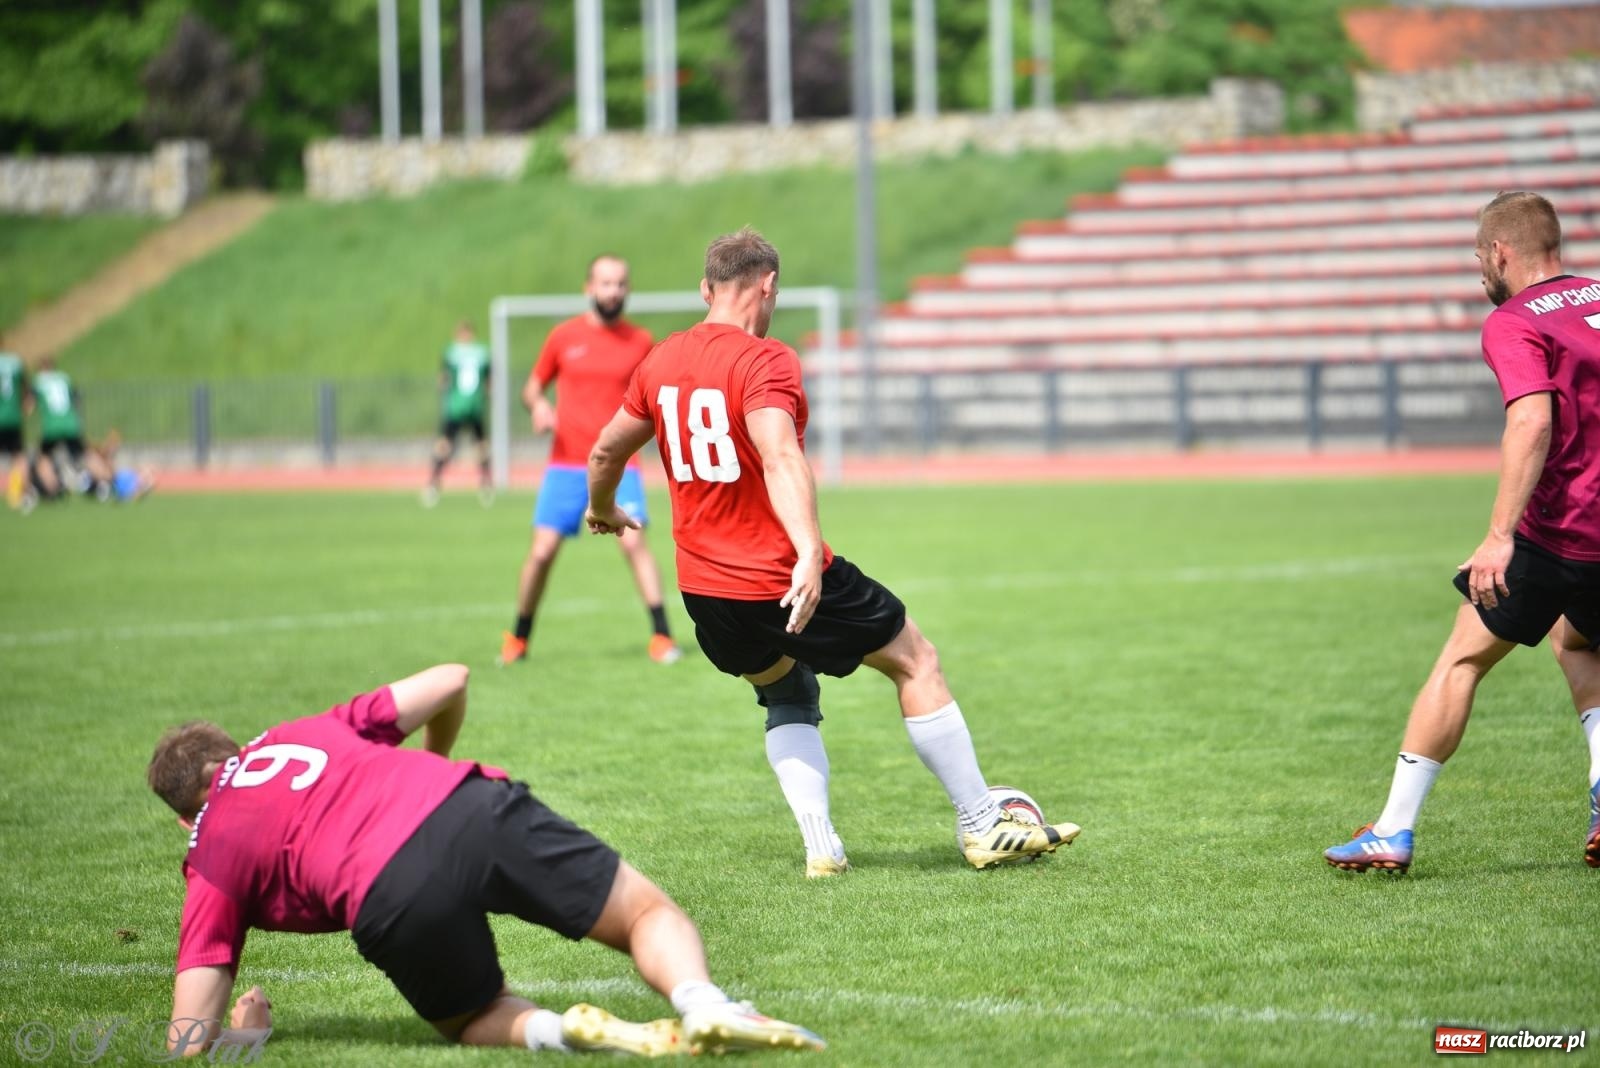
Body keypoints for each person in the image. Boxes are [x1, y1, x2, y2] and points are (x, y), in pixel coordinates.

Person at [584, 228, 1081, 877]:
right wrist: (807, 553)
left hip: (704, 592)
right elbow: (780, 453)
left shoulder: (659, 361)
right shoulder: (764, 360)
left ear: (706, 289)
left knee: (786, 689)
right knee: (916, 659)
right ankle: (984, 825)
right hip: (772, 574)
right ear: (767, 287)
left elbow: (604, 452)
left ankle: (823, 848)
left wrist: (602, 509)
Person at [146, 663, 824, 1057]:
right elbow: (451, 678)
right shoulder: (302, 732)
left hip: (388, 893)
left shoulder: (210, 853)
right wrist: (428, 768)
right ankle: (702, 1002)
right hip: (468, 807)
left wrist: (245, 1039)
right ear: (235, 752)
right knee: (645, 912)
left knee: (470, 1016)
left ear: (184, 816)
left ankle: (573, 1031)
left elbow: (186, 1037)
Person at [1325, 191, 1600, 874]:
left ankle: (1392, 828)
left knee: (1461, 658)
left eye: (1482, 256)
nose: (1481, 269)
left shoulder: (1512, 321)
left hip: (1560, 531)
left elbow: (1532, 421)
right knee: (1579, 641)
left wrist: (1500, 534)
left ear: (1501, 252)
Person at [499, 255, 681, 667]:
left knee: (634, 542)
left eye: (620, 283)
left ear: (627, 290)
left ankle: (662, 637)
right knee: (542, 552)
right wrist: (539, 407)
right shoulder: (563, 337)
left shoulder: (641, 342)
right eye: (605, 283)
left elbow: (654, 399)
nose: (613, 291)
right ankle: (519, 638)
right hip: (565, 463)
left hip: (621, 463)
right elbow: (531, 388)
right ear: (589, 288)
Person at [423, 321, 494, 508]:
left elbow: (442, 380)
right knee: (481, 445)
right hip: (475, 407)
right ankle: (486, 485)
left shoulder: (451, 353)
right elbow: (489, 384)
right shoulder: (482, 353)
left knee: (445, 445)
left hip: (455, 407)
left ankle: (433, 484)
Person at [28, 354, 102, 498]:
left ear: (41, 368)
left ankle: (53, 489)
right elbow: (76, 399)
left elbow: (29, 407)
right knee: (84, 454)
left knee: (44, 458)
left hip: (52, 426)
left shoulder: (39, 381)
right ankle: (107, 481)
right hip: (71, 424)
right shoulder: (64, 378)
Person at [0, 343, 27, 510]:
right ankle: (16, 493)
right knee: (19, 457)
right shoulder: (15, 362)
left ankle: (7, 490)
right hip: (14, 418)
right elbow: (26, 390)